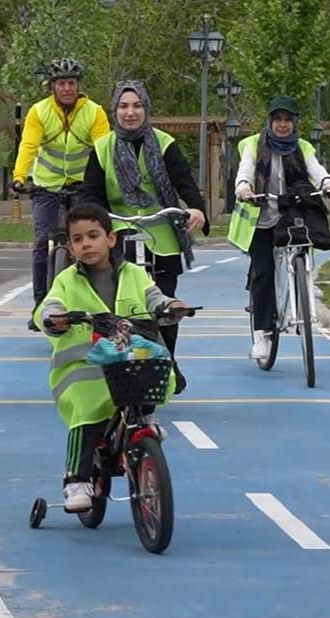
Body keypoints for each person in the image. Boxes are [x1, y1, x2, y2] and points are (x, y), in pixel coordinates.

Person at [34, 204, 189, 512]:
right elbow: (49, 305)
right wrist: (54, 318)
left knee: (152, 374)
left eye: (93, 236)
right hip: (84, 366)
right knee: (87, 410)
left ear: (111, 239)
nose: (86, 244)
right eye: (77, 239)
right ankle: (76, 480)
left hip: (129, 358)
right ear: (70, 246)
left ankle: (143, 418)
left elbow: (153, 297)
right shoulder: (67, 279)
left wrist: (171, 306)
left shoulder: (134, 274)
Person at [83, 80, 207, 393]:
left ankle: (168, 366)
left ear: (146, 109)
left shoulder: (165, 144)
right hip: (119, 230)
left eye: (137, 105)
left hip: (162, 231)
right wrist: (99, 223)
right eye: (124, 106)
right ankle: (118, 366)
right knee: (118, 302)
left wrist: (195, 209)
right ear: (115, 111)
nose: (130, 112)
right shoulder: (102, 148)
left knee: (165, 307)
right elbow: (91, 195)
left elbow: (185, 182)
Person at [231, 96, 330, 361]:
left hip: (292, 214)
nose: (282, 125)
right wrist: (244, 187)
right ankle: (261, 333)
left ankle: (302, 285)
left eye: (288, 120)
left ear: (294, 123)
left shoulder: (302, 148)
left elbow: (316, 171)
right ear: (270, 121)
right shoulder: (254, 145)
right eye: (277, 119)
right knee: (264, 272)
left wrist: (328, 183)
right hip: (262, 216)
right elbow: (245, 170)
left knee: (304, 243)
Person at [11, 57, 111, 326]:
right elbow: (29, 145)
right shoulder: (39, 112)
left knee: (89, 241)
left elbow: (104, 151)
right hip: (46, 186)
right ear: (52, 86)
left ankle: (97, 299)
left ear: (79, 85)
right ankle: (40, 305)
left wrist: (107, 181)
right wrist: (20, 176)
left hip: (82, 186)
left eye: (72, 83)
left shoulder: (94, 112)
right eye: (61, 83)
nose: (67, 88)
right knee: (43, 241)